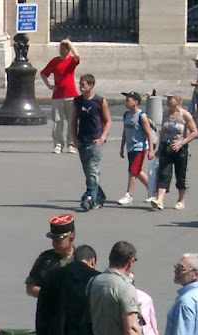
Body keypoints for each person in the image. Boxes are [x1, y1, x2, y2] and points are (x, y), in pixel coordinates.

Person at [151, 90, 198, 211]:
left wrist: (182, 143)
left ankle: (181, 200)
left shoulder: (185, 115)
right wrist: (158, 146)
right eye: (167, 98)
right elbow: (163, 130)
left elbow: (194, 132)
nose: (168, 101)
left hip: (180, 149)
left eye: (171, 98)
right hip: (166, 146)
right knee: (164, 173)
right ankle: (160, 200)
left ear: (178, 101)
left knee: (180, 175)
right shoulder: (166, 113)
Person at [71, 74, 111, 212]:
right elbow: (73, 121)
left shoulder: (100, 101)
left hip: (95, 141)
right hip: (83, 141)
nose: (80, 86)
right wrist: (74, 138)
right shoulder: (77, 101)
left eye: (83, 84)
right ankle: (99, 197)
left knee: (93, 171)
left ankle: (89, 198)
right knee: (88, 172)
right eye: (80, 84)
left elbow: (108, 121)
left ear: (91, 85)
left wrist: (103, 137)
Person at [40, 39, 80, 154]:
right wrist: (49, 86)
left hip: (71, 94)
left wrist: (70, 43)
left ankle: (71, 144)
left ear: (68, 50)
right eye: (60, 49)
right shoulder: (54, 61)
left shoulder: (72, 60)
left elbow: (77, 55)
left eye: (64, 49)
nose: (62, 51)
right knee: (58, 121)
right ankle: (58, 144)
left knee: (72, 121)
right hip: (57, 95)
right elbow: (43, 73)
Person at [118, 91, 155, 205]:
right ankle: (152, 189)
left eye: (128, 100)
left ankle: (129, 195)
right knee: (137, 171)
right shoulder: (126, 115)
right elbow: (125, 131)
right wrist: (122, 147)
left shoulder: (141, 116)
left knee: (133, 171)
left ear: (135, 102)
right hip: (130, 147)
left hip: (140, 147)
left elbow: (149, 133)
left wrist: (151, 150)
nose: (126, 102)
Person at [25, 214, 75, 298]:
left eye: (58, 241)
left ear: (71, 239)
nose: (53, 244)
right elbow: (30, 288)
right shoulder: (46, 259)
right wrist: (51, 294)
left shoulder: (82, 258)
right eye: (53, 240)